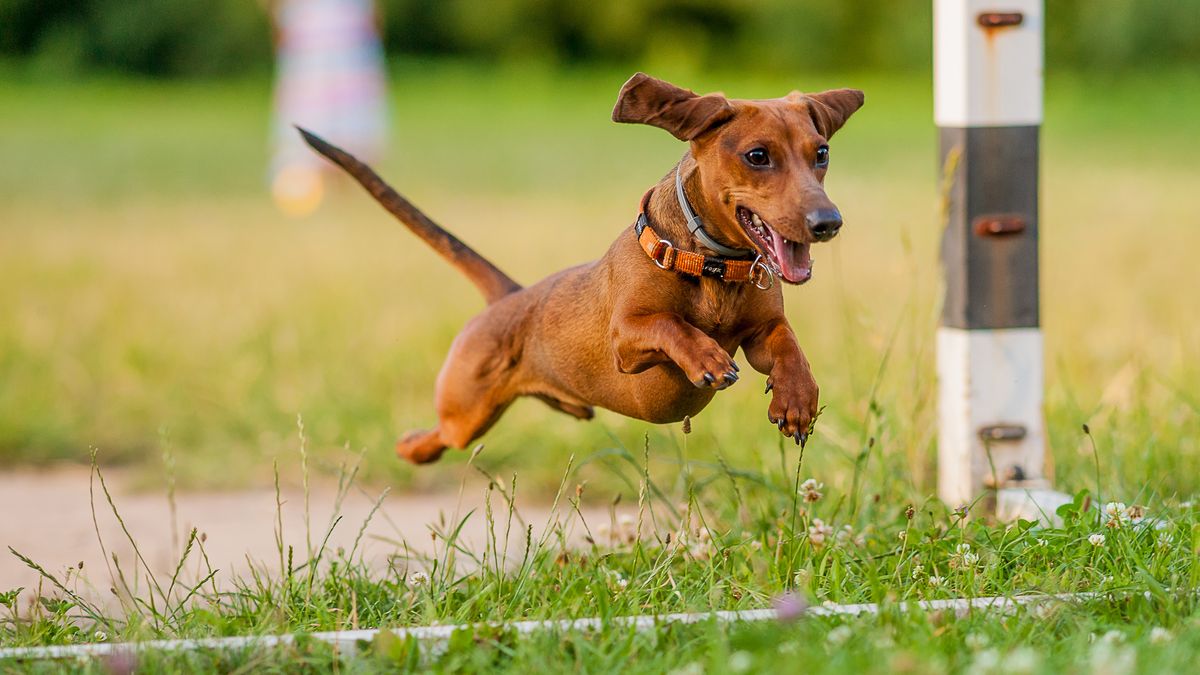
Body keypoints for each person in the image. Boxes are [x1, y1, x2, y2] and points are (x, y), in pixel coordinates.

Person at [268, 0, 389, 216]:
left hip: (346, 28)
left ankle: (347, 183)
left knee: (348, 106)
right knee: (310, 100)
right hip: (309, 29)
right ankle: (306, 177)